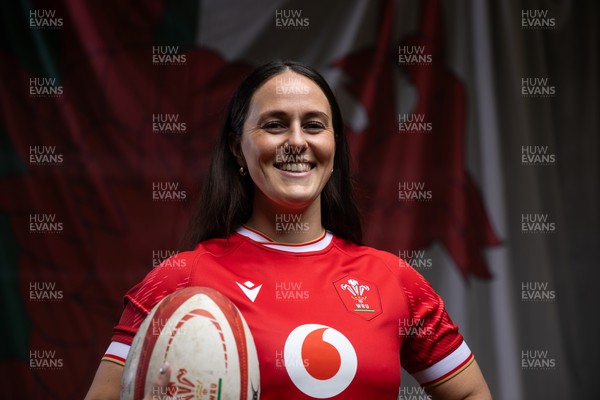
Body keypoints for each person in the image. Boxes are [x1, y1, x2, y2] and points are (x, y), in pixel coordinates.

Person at [85, 60, 492, 399]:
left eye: (314, 125)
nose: (296, 141)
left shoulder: (392, 279)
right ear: (235, 148)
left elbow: (472, 393)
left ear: (334, 144)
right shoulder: (181, 279)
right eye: (275, 124)